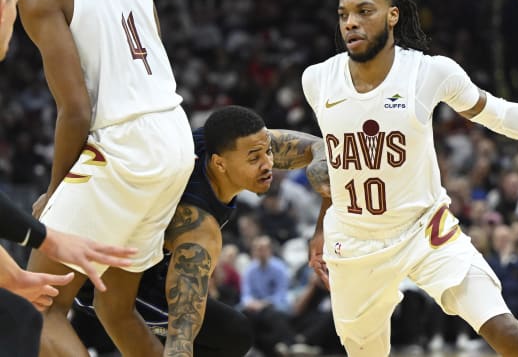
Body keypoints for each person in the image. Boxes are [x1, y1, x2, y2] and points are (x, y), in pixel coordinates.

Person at [303, 0, 518, 355]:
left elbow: (498, 113)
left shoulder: (429, 72)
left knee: (509, 331)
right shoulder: (317, 79)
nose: (350, 22)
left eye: (363, 11)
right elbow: (336, 166)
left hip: (426, 230)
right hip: (354, 242)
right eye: (343, 15)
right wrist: (323, 226)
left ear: (392, 16)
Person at [19, 0, 197, 355]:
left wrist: (54, 192)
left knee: (37, 306)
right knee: (115, 307)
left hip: (122, 145)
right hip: (173, 132)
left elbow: (76, 109)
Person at [72, 105, 329, 357]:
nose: (267, 165)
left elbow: (318, 147)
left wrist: (320, 224)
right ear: (219, 164)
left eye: (268, 153)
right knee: (226, 334)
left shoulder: (219, 140)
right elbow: (180, 338)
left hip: (133, 252)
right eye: (254, 158)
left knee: (232, 332)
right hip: (98, 276)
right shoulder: (198, 230)